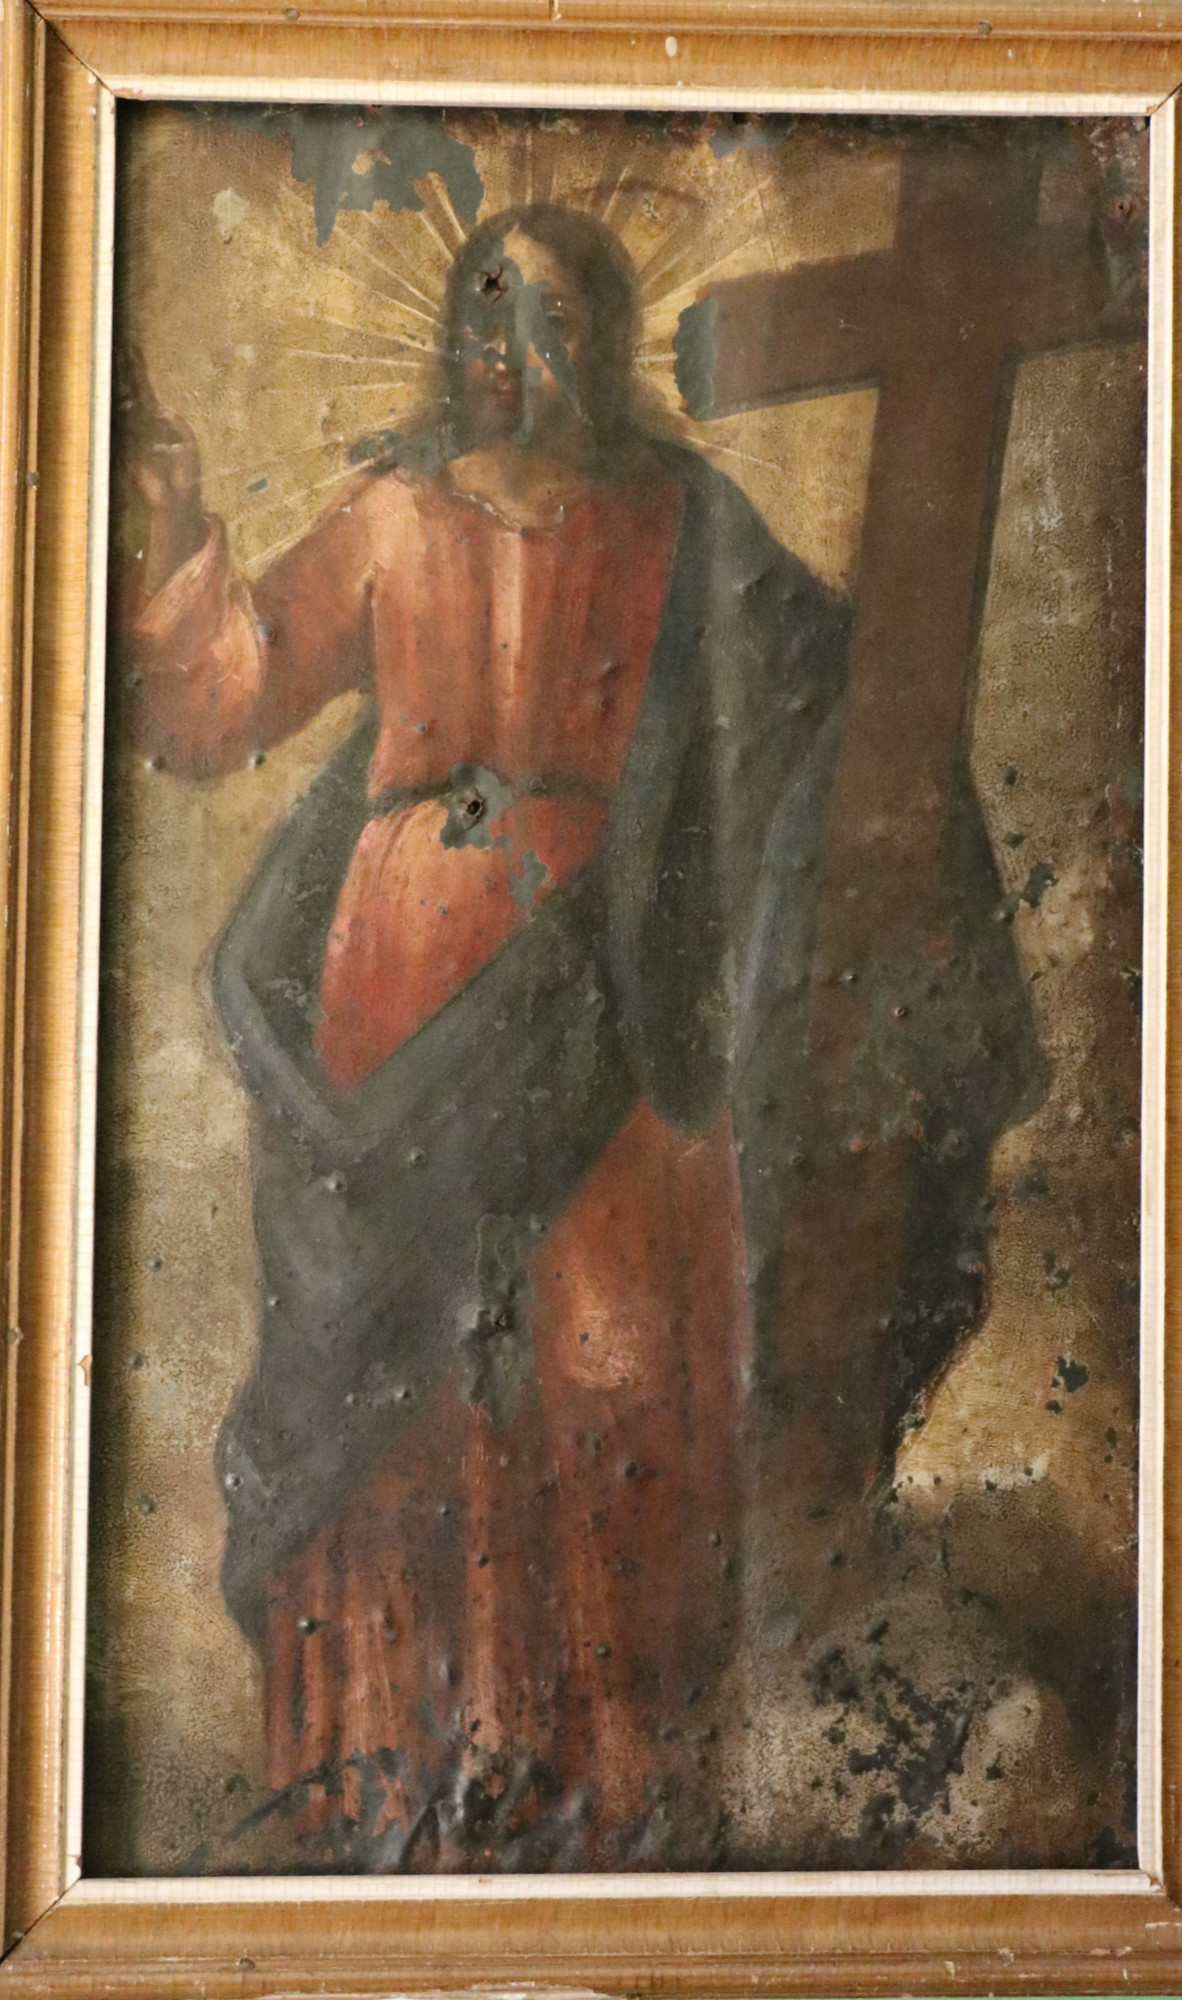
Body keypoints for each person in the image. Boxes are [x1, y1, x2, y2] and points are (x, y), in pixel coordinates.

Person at [124, 202, 1037, 1871]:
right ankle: (396, 1767)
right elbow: (217, 705)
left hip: (616, 991)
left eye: (549, 320)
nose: (512, 352)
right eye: (488, 314)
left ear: (603, 347)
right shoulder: (389, 517)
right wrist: (177, 540)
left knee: (608, 1368)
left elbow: (842, 683)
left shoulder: (680, 522)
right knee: (409, 1387)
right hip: (400, 998)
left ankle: (608, 1779)